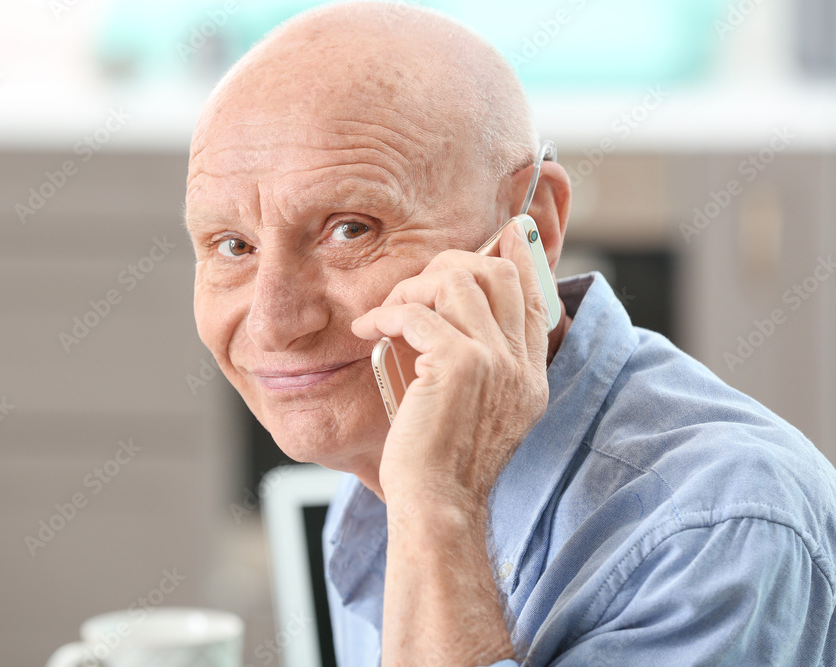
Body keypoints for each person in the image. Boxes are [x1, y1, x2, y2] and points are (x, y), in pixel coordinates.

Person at [184, 2, 836, 665]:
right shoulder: (391, 437)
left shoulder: (720, 535)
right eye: (231, 245)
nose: (273, 322)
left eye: (352, 228)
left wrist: (440, 514)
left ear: (535, 228)